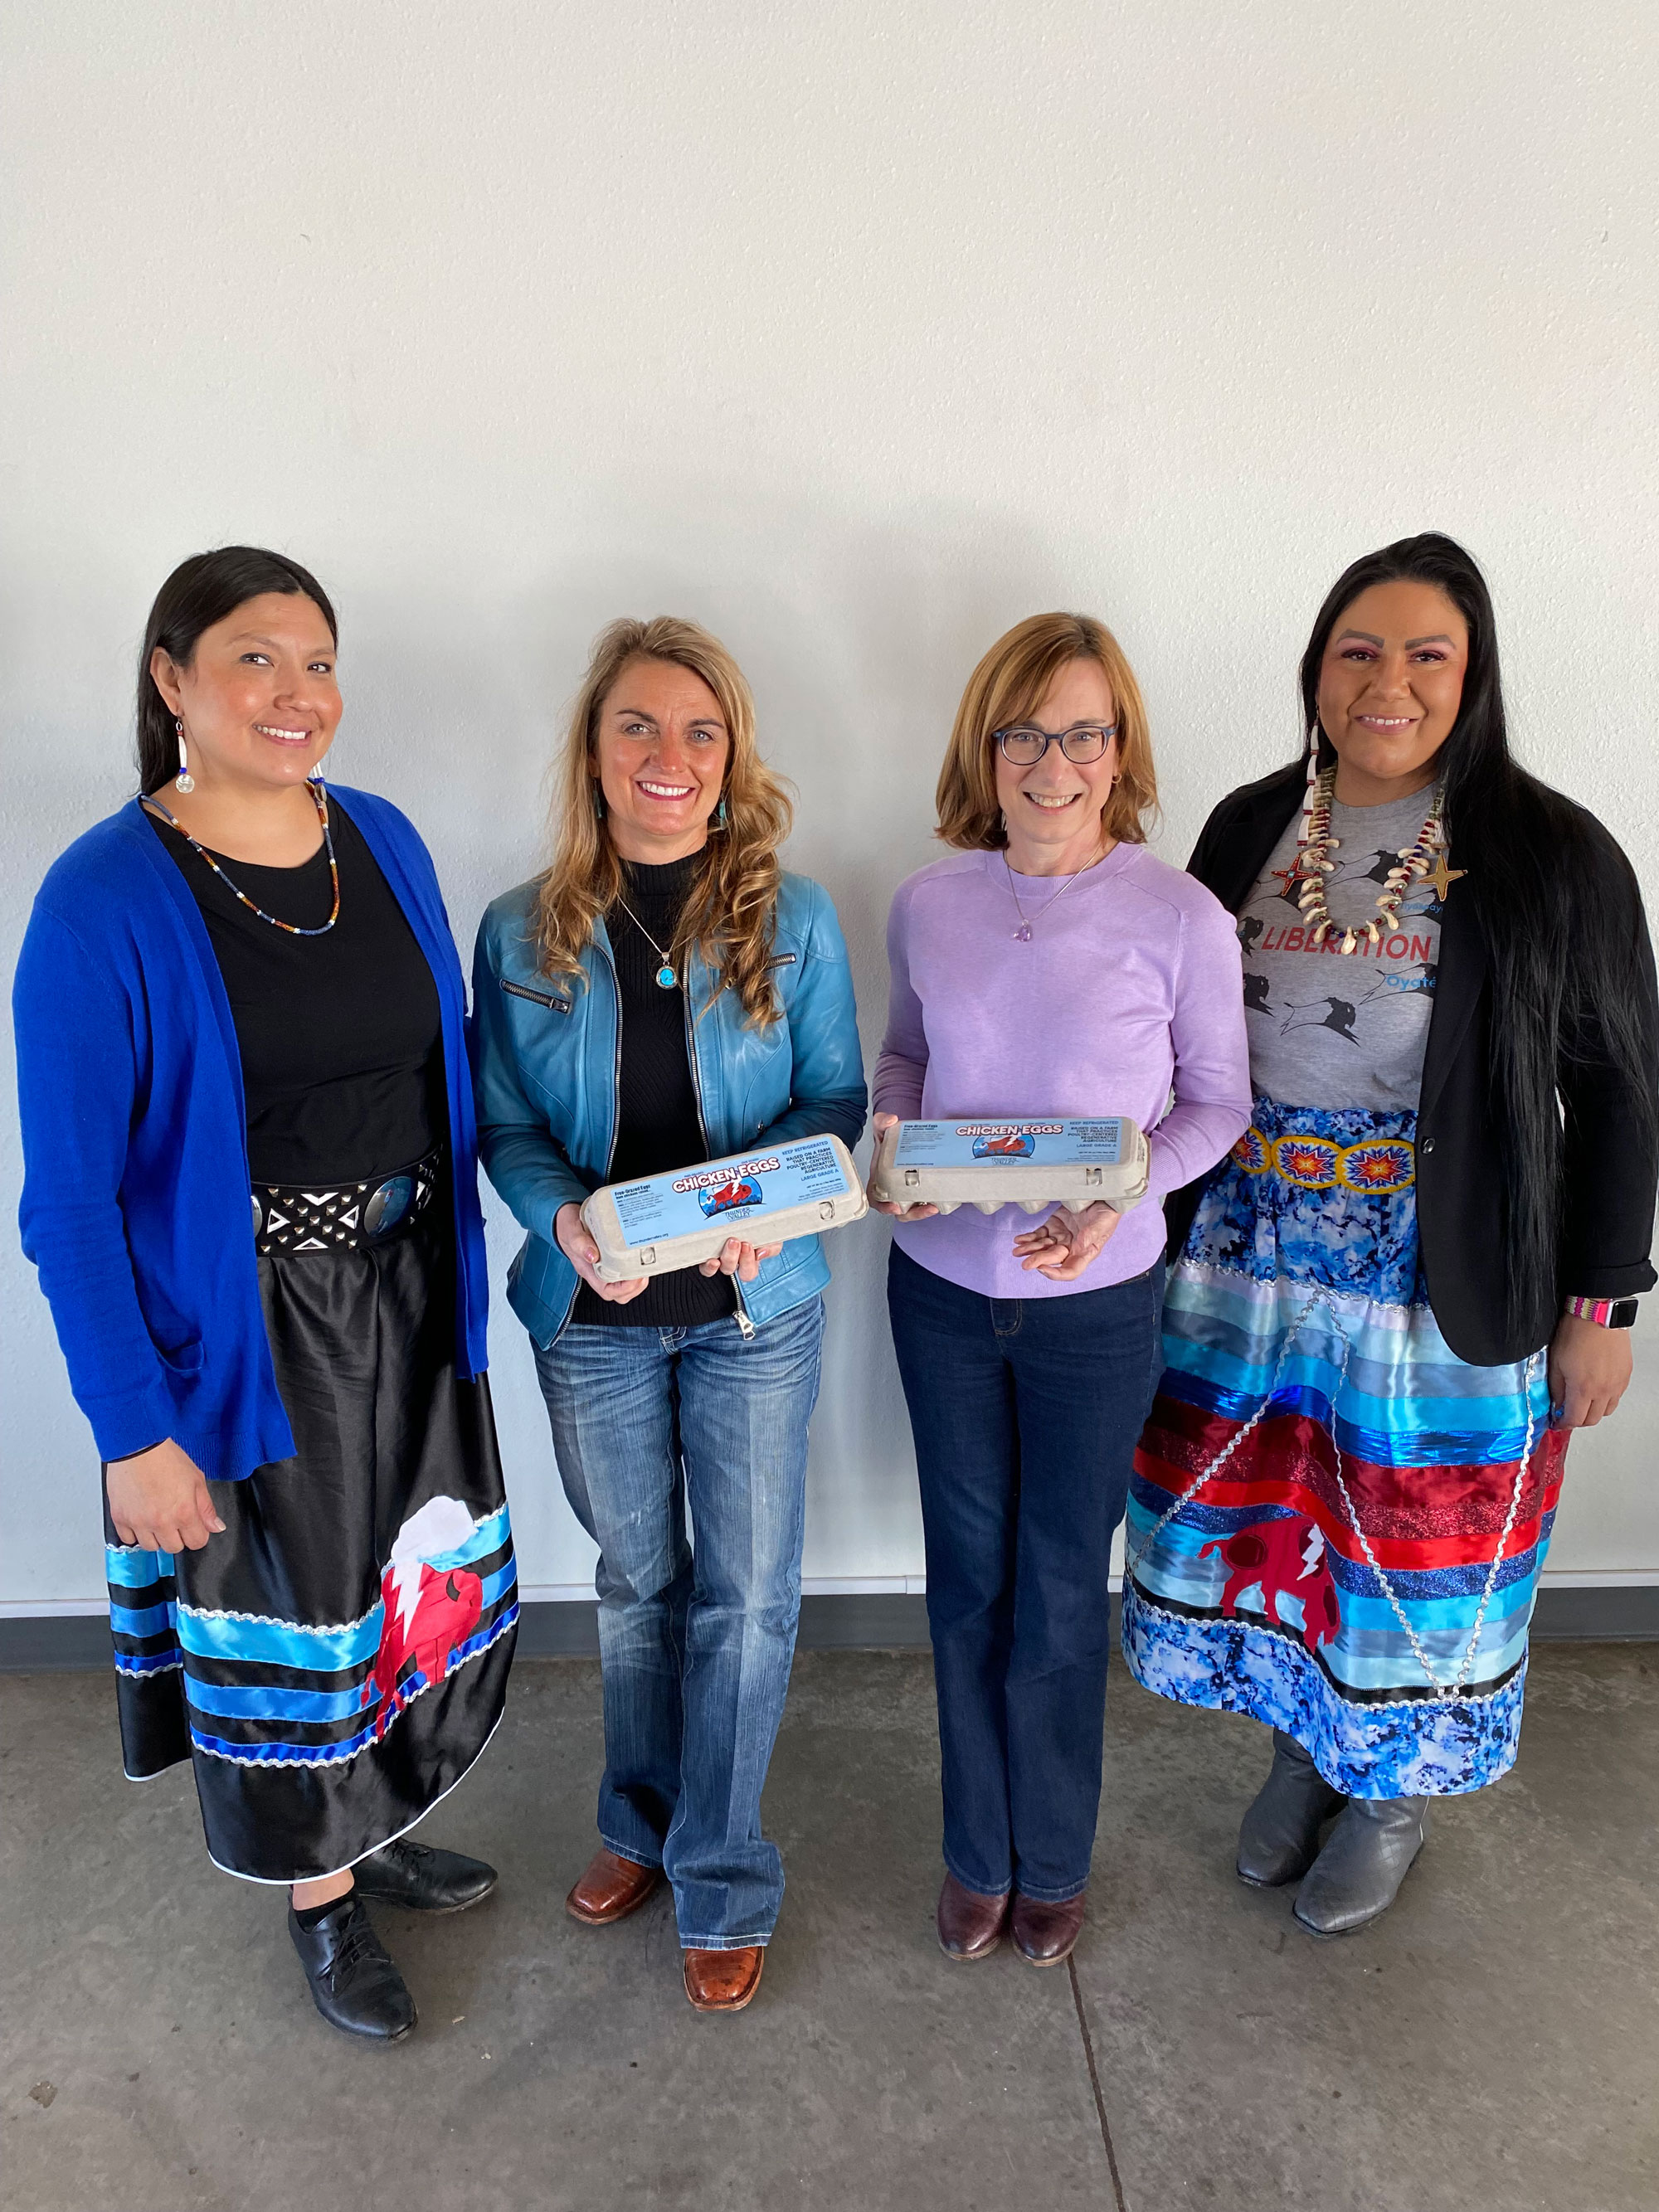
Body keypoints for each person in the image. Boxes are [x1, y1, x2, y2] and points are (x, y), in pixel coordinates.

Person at [14, 548, 516, 2043]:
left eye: (317, 662)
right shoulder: (104, 898)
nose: (296, 695)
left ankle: (380, 1817)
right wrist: (132, 1430)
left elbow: (444, 1074)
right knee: (295, 1616)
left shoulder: (381, 838)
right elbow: (68, 1204)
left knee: (397, 1588)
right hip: (252, 1328)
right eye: (254, 659)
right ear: (171, 680)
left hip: (413, 1287)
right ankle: (322, 1894)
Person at [1125, 532, 1658, 1935]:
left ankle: (1393, 1793)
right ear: (1316, 668)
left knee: (1417, 1552)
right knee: (1277, 1533)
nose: (1390, 681)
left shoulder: (1550, 852)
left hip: (1443, 1269)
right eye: (1359, 649)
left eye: (1430, 654)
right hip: (1246, 1253)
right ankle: (1305, 1756)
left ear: (1472, 678)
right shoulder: (1247, 828)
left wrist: (1603, 1308)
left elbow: (1617, 1096)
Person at [472, 615, 865, 2014]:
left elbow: (837, 1104)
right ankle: (635, 1826)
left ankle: (721, 1872)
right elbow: (507, 1122)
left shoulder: (792, 915)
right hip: (593, 1316)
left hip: (756, 1308)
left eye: (700, 733)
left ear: (732, 757)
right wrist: (564, 1220)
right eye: (639, 726)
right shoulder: (521, 929)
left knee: (747, 1598)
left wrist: (777, 1199)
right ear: (593, 746)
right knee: (640, 1585)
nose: (669, 757)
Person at [871, 612, 1252, 1967]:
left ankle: (1056, 1860)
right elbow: (905, 1062)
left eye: (1083, 733)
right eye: (1025, 732)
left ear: (1120, 749)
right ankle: (978, 1852)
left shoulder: (1179, 915)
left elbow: (1218, 1105)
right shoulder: (931, 902)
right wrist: (894, 1151)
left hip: (1101, 1310)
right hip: (943, 1298)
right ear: (987, 747)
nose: (1053, 762)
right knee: (966, 1584)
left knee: (1056, 1590)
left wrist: (1123, 1200)